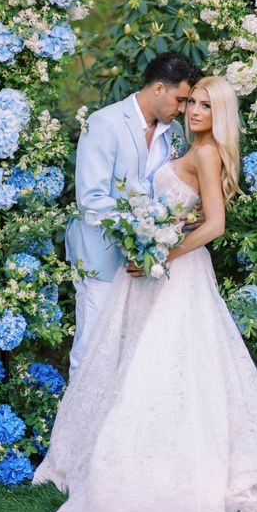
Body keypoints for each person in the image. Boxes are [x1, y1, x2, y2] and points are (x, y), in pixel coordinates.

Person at [33, 75, 257, 512]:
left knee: (167, 364)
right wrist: (162, 233)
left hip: (176, 271)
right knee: (148, 362)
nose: (194, 111)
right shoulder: (185, 145)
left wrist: (163, 253)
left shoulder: (205, 151)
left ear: (220, 116)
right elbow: (191, 211)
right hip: (158, 269)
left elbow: (215, 224)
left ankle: (166, 466)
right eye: (191, 101)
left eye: (204, 106)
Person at [66, 51, 201, 379]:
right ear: (158, 88)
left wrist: (178, 222)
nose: (183, 110)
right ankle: (79, 429)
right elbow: (92, 200)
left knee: (134, 358)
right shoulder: (104, 123)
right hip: (102, 258)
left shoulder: (176, 137)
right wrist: (146, 231)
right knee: (93, 348)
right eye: (180, 100)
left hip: (147, 268)